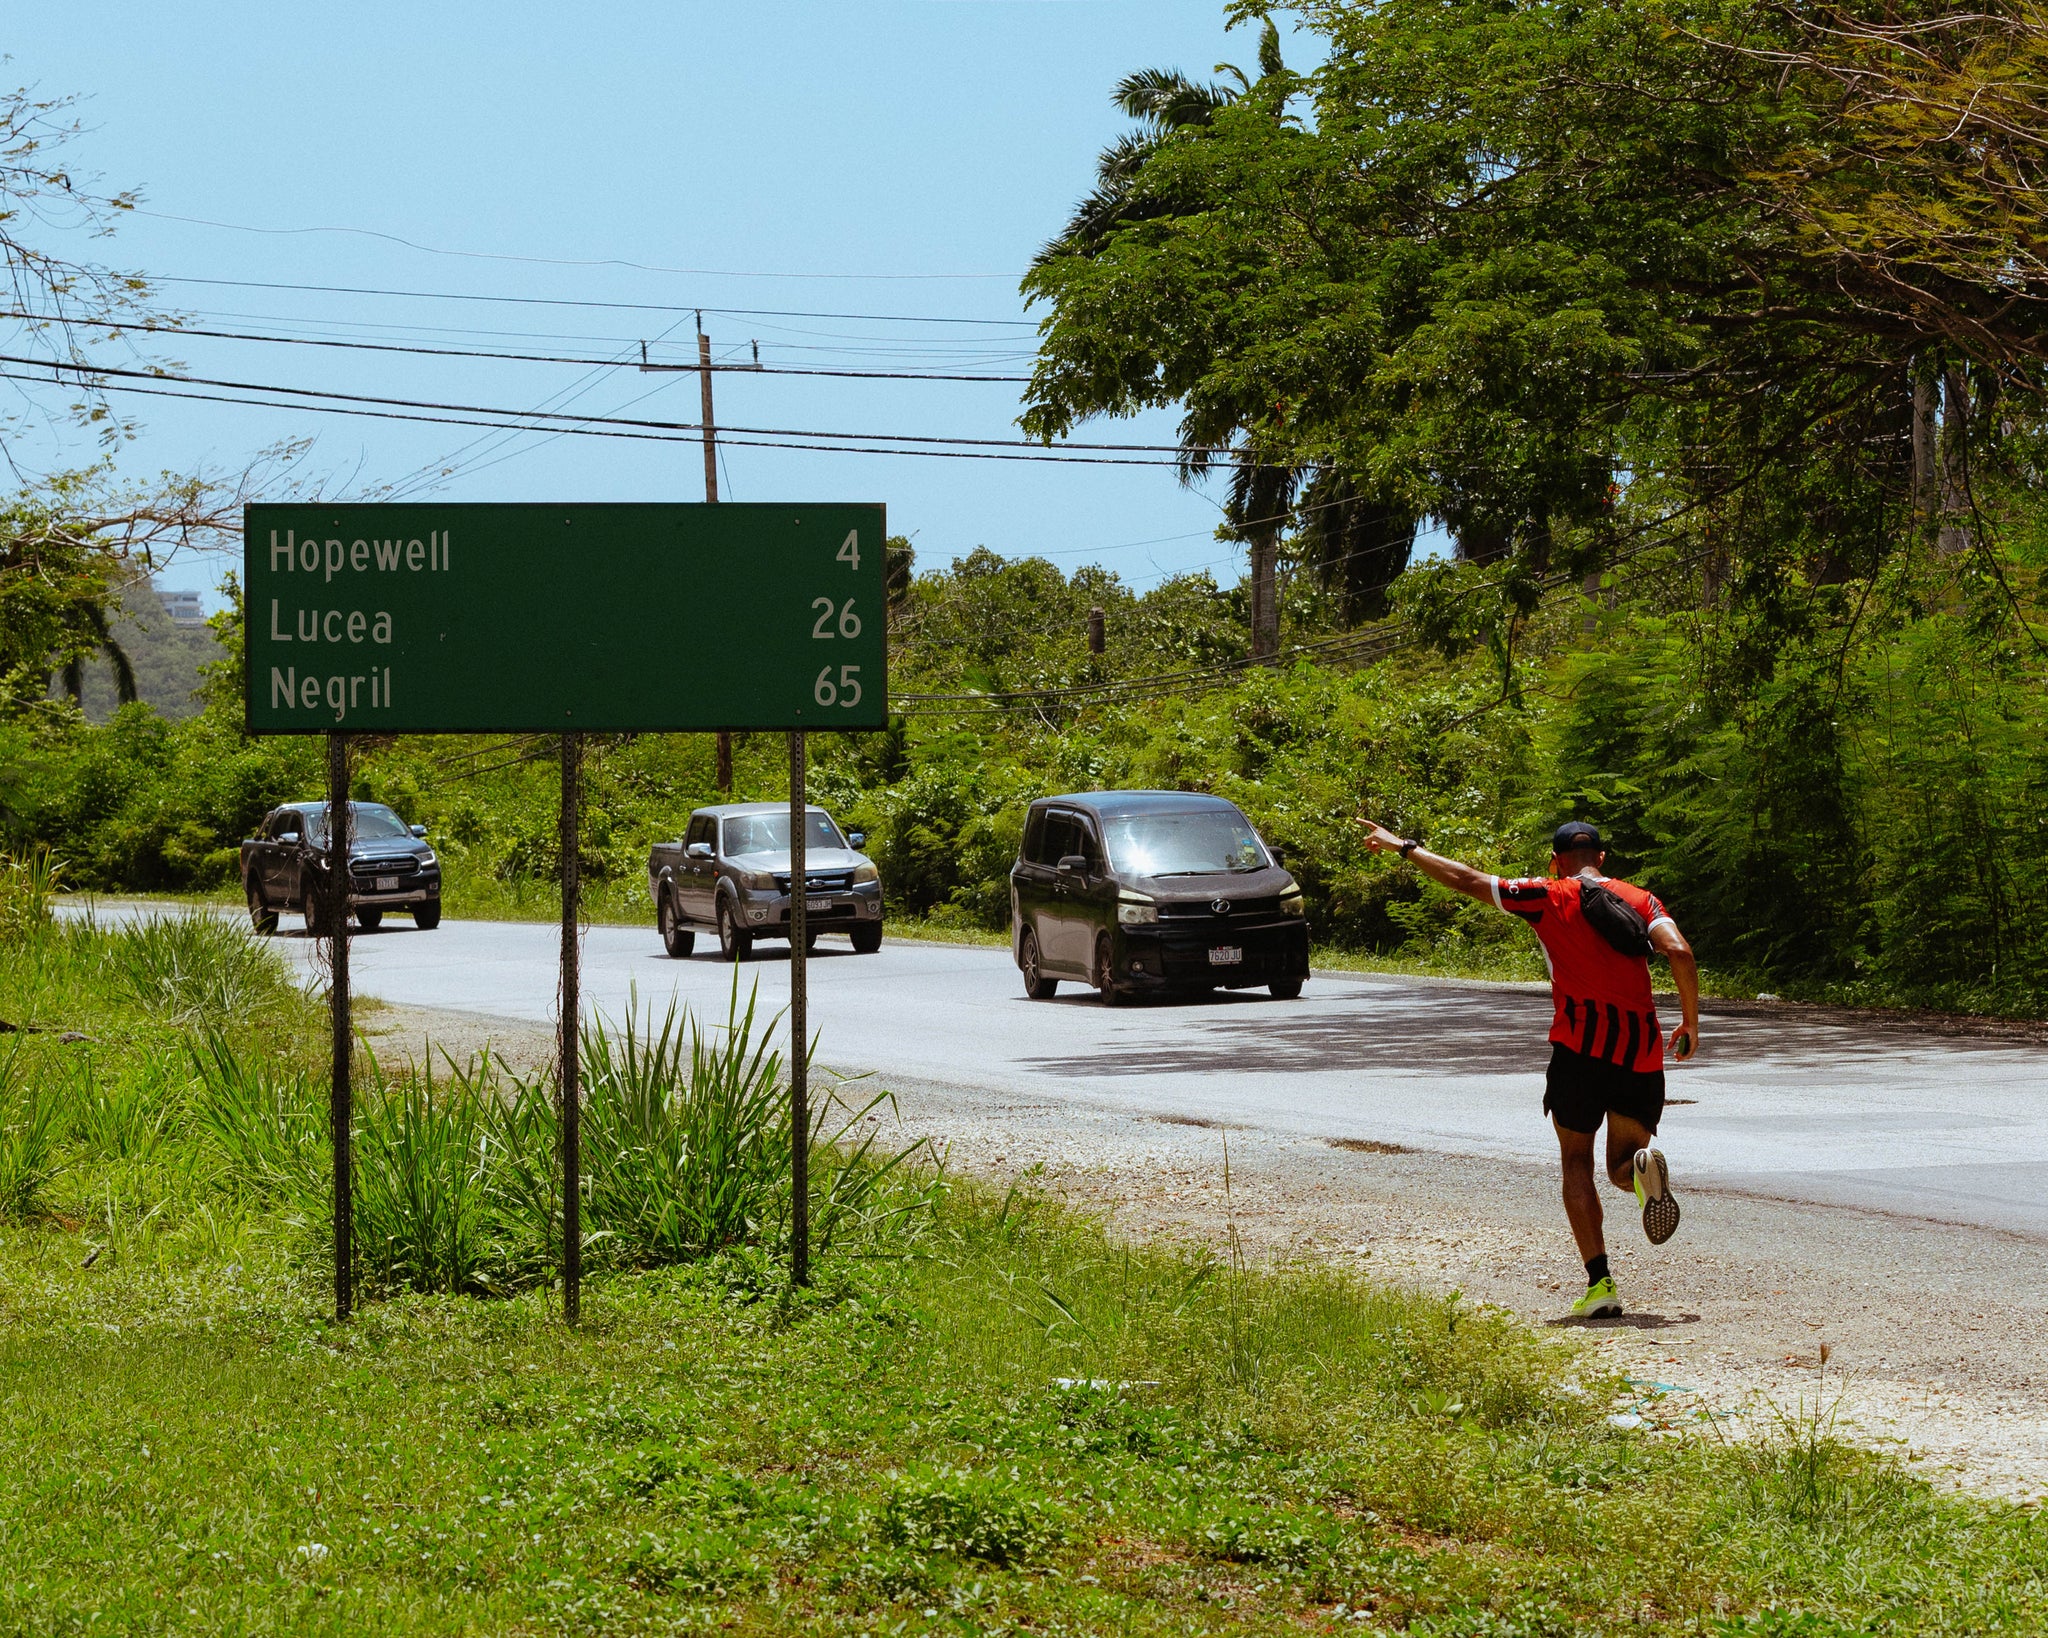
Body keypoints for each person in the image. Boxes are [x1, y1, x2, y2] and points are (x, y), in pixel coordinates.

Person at [1359, 818, 1700, 1318]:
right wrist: (1689, 1022)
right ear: (1602, 858)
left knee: (1577, 1164)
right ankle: (1641, 1171)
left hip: (1579, 1051)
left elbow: (1468, 880)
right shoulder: (1642, 899)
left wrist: (1405, 847)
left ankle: (1600, 1286)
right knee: (1620, 1168)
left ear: (1556, 859)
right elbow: (1679, 951)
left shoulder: (1544, 894)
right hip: (1640, 1050)